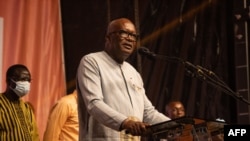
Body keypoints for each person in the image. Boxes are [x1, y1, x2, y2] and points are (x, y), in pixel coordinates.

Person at [76, 17, 171, 141]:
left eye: (133, 35)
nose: (130, 38)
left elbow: (148, 113)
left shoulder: (133, 72)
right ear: (108, 37)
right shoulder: (92, 62)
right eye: (123, 33)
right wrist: (125, 123)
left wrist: (178, 125)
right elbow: (94, 103)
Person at [0, 64, 39, 141]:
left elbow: (35, 136)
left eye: (28, 80)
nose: (26, 83)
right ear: (9, 81)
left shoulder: (27, 108)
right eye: (23, 79)